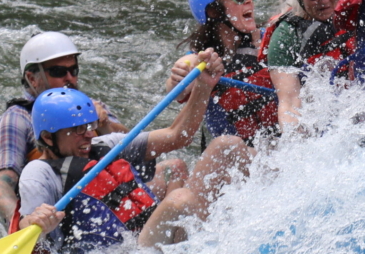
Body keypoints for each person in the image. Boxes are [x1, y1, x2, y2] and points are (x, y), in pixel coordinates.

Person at [17, 49, 251, 251]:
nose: (89, 134)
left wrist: (203, 87)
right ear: (48, 137)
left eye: (90, 126)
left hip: (141, 238)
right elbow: (25, 230)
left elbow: (177, 135)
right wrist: (35, 223)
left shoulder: (103, 146)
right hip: (112, 251)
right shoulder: (39, 173)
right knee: (180, 200)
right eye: (78, 129)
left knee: (224, 147)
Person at [0, 32, 185, 224]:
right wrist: (21, 223)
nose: (69, 78)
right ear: (32, 78)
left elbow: (134, 151)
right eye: (58, 72)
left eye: (73, 70)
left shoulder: (86, 106)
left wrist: (105, 124)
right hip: (60, 210)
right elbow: (2, 182)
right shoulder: (16, 118)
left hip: (106, 193)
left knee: (174, 168)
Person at [166, 0, 280, 144]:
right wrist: (178, 77)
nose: (249, 0)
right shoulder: (205, 59)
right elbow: (179, 87)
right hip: (234, 156)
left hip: (283, 149)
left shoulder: (271, 40)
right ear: (214, 12)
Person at [259, 0, 352, 134]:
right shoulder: (286, 35)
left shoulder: (356, 9)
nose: (325, 0)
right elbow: (290, 102)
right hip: (321, 119)